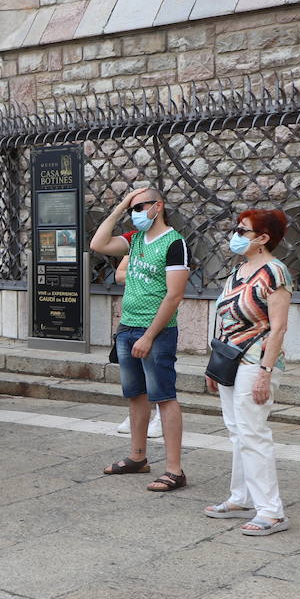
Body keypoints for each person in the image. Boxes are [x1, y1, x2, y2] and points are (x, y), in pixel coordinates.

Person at [90, 187, 191, 491]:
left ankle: (175, 469)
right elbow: (98, 243)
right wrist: (121, 205)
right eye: (132, 208)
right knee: (136, 395)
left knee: (164, 397)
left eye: (139, 206)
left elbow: (174, 296)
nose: (135, 213)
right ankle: (138, 457)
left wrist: (149, 335)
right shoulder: (135, 239)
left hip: (155, 332)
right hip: (127, 326)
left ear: (157, 207)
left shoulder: (174, 243)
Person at [203, 209, 293, 536]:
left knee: (253, 431)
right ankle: (240, 497)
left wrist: (265, 372)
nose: (236, 234)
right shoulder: (239, 269)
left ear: (263, 239)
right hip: (229, 357)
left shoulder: (275, 273)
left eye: (243, 230)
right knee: (237, 430)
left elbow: (279, 328)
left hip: (257, 359)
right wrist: (215, 362)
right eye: (237, 228)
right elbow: (225, 317)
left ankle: (272, 511)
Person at [113, 255, 162, 439]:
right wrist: (144, 276)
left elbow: (167, 282)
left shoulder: (168, 244)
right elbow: (119, 275)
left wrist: (136, 275)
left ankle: (159, 417)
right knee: (135, 381)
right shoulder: (135, 246)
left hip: (154, 321)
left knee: (157, 376)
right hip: (130, 322)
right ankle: (139, 416)